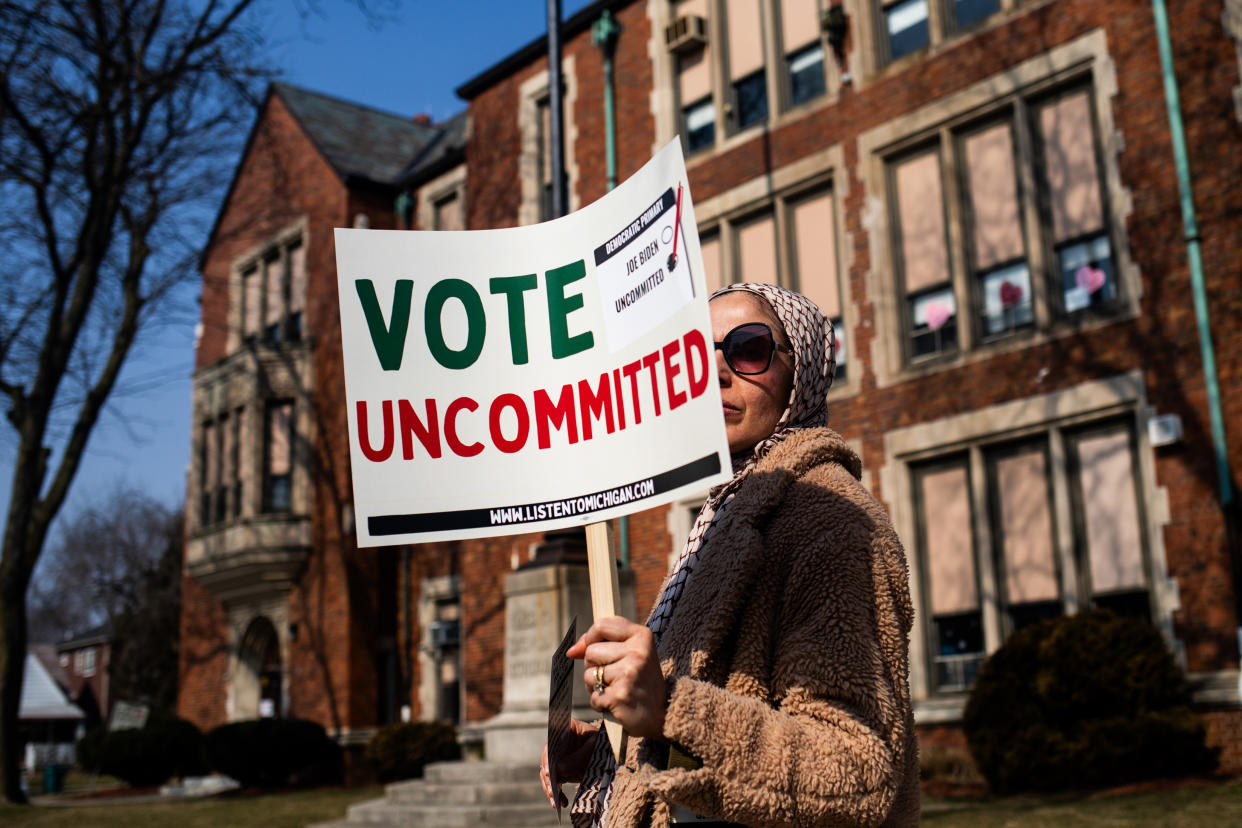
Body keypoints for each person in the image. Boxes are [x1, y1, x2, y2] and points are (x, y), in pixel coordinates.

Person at [540, 283, 920, 827]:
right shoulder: (730, 512)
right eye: (696, 351)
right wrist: (617, 746)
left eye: (747, 349)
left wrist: (670, 706)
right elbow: (721, 735)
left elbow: (856, 773)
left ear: (801, 374)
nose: (715, 371)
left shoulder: (828, 520)